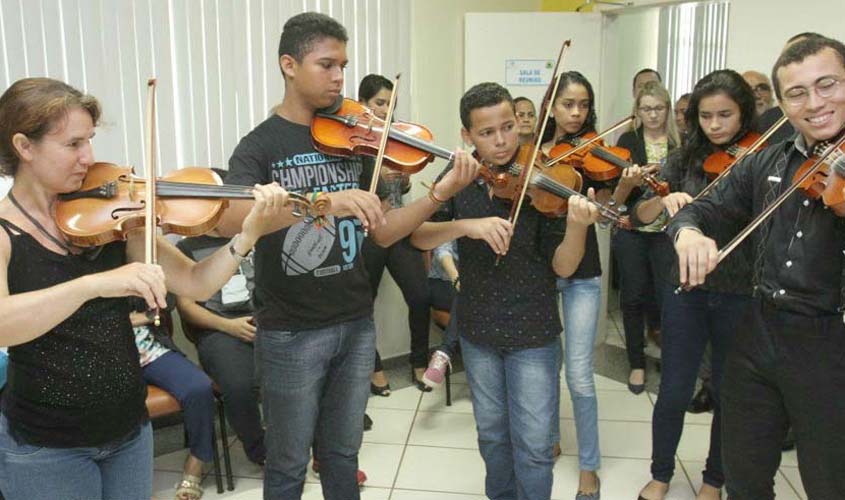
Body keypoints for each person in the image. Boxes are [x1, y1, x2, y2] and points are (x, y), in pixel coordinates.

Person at [217, 12, 479, 500]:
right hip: (290, 330)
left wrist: (439, 194)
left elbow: (383, 232)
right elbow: (233, 219)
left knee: (342, 457)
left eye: (344, 64)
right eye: (327, 64)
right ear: (289, 65)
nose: (340, 77)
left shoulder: (354, 139)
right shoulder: (260, 145)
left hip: (356, 323)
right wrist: (325, 202)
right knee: (289, 465)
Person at [0, 77, 288, 499]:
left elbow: (196, 280)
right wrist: (94, 284)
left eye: (90, 141)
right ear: (24, 146)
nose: (89, 157)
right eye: (73, 144)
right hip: (47, 446)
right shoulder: (5, 232)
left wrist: (247, 236)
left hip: (129, 431)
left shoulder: (114, 217)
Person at [669, 35, 845, 500]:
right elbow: (701, 209)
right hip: (759, 330)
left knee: (830, 483)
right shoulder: (768, 159)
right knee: (744, 477)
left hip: (832, 343)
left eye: (827, 85)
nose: (814, 104)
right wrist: (688, 233)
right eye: (797, 93)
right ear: (781, 104)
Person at [411, 81, 601, 500]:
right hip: (478, 331)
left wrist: (577, 226)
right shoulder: (458, 176)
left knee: (534, 447)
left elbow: (564, 265)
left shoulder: (546, 177)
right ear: (467, 137)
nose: (501, 141)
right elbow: (418, 236)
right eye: (487, 132)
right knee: (493, 438)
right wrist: (466, 226)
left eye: (509, 127)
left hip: (533, 331)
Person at [633, 69, 758, 500]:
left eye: (726, 114)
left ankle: (713, 479)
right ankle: (661, 472)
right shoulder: (685, 157)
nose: (715, 125)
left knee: (727, 390)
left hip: (738, 289)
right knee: (674, 388)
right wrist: (660, 200)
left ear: (744, 113)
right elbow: (640, 216)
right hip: (684, 287)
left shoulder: (762, 157)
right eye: (706, 116)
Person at [541, 71, 611, 499]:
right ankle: (549, 436)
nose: (575, 112)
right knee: (545, 366)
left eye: (583, 104)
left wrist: (616, 188)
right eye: (567, 103)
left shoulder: (596, 154)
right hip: (541, 272)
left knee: (580, 374)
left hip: (583, 272)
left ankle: (590, 466)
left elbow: (606, 212)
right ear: (552, 105)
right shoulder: (534, 153)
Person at [175, 188, 267, 468]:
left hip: (264, 321)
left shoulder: (253, 236)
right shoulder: (185, 248)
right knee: (239, 386)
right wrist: (228, 326)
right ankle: (262, 453)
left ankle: (300, 444)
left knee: (297, 373)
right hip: (219, 328)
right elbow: (187, 307)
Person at [357, 73, 432, 394]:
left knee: (420, 295)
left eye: (392, 104)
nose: (387, 110)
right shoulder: (354, 140)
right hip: (367, 232)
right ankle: (373, 368)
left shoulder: (397, 136)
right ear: (363, 103)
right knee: (363, 302)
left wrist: (401, 177)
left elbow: (402, 187)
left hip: (398, 227)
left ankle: (419, 362)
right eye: (380, 103)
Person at [611, 81, 680, 394]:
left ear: (667, 109)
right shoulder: (627, 141)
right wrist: (632, 180)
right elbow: (617, 195)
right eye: (646, 109)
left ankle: (669, 358)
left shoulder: (681, 145)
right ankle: (636, 363)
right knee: (633, 297)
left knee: (668, 299)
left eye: (659, 108)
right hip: (633, 230)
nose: (653, 115)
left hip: (668, 232)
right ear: (637, 111)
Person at [130, 301, 216, 500]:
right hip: (105, 362)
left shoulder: (136, 269)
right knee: (112, 403)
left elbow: (166, 301)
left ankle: (196, 462)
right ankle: (133, 486)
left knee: (199, 387)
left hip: (149, 349)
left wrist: (147, 315)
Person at [421, 239, 459, 387]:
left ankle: (444, 353)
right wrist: (456, 278)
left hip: (480, 289)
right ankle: (445, 351)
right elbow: (443, 250)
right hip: (445, 282)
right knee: (467, 294)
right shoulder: (459, 217)